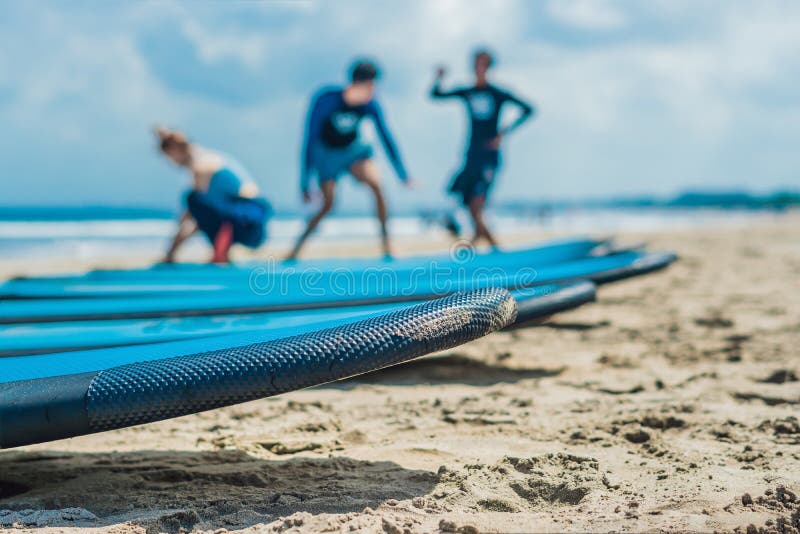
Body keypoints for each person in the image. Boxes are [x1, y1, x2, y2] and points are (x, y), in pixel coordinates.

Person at [288, 59, 414, 260]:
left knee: (377, 184)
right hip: (327, 154)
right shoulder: (325, 100)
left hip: (353, 151)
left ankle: (386, 244)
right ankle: (296, 248)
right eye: (372, 86)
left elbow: (386, 137)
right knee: (328, 204)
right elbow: (309, 140)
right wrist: (305, 183)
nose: (374, 91)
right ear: (363, 83)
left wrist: (403, 174)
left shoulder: (371, 105)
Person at [431, 49, 534, 248]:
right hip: (471, 154)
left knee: (477, 204)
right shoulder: (468, 92)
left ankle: (495, 250)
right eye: (476, 64)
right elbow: (436, 95)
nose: (479, 68)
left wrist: (504, 132)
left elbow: (528, 109)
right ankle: (478, 245)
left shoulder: (497, 93)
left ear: (488, 67)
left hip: (489, 156)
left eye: (483, 64)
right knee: (468, 203)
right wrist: (438, 78)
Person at [155, 127, 272, 264]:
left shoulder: (201, 166)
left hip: (249, 219)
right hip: (253, 216)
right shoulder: (208, 156)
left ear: (174, 151)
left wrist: (172, 251)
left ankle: (221, 250)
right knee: (199, 203)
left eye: (170, 157)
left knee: (194, 200)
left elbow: (193, 216)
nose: (171, 163)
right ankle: (222, 249)